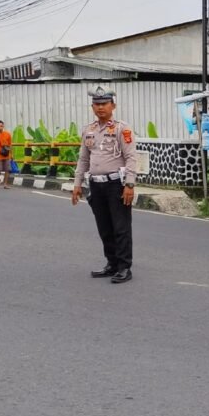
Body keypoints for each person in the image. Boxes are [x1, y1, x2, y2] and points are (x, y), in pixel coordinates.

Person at [72, 87, 138, 284]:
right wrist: (77, 184)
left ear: (113, 106)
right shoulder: (88, 130)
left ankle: (124, 267)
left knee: (121, 227)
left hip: (116, 185)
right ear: (92, 106)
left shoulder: (121, 128)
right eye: (97, 104)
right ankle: (112, 263)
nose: (100, 108)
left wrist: (129, 184)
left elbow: (131, 158)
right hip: (96, 185)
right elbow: (83, 159)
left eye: (104, 104)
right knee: (104, 228)